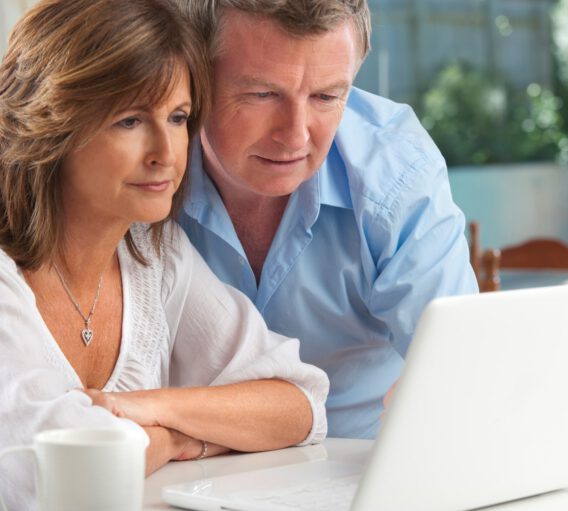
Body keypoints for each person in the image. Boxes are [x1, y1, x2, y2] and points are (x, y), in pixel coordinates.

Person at [0, 0, 328, 508]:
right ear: (53, 123)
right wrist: (182, 438)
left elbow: (299, 402)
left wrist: (147, 406)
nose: (167, 153)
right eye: (130, 121)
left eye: (177, 117)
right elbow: (43, 472)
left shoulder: (152, 253)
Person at [173, 0, 478, 439]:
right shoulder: (148, 169)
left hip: (356, 474)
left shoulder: (396, 176)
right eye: (263, 94)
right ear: (195, 77)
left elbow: (459, 361)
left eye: (326, 96)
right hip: (190, 474)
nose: (296, 135)